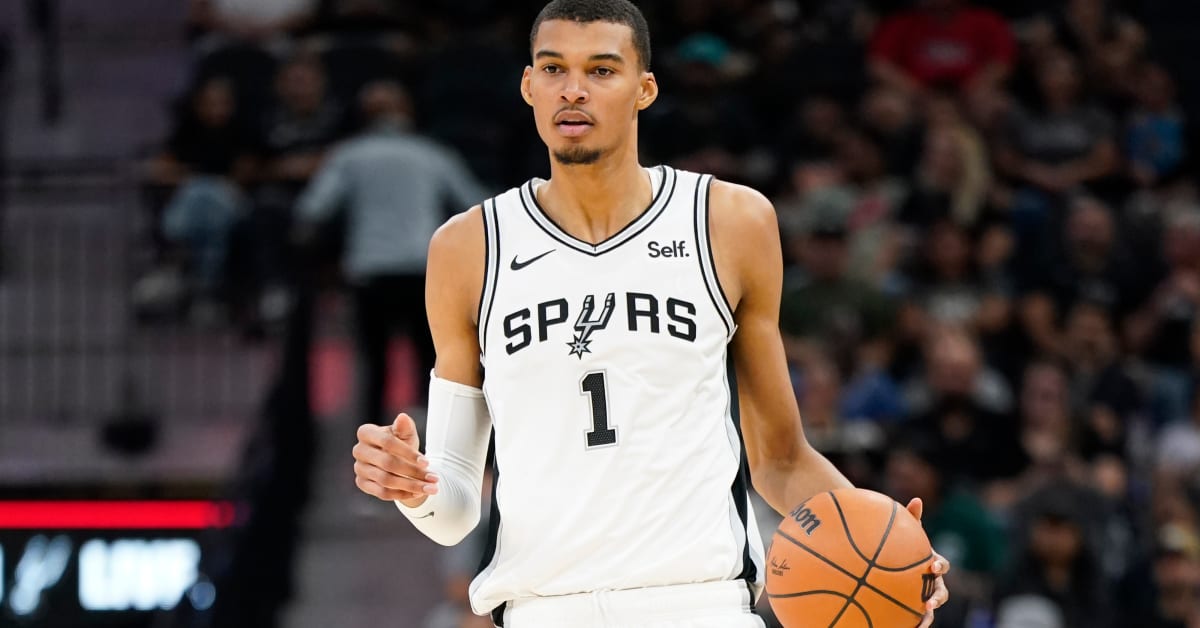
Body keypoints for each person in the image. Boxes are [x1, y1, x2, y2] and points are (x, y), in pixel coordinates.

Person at [351, 2, 951, 626]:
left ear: (645, 89)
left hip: (700, 604)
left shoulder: (729, 222)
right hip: (543, 610)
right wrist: (411, 487)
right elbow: (452, 510)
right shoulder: (467, 248)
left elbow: (779, 456)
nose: (574, 90)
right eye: (553, 68)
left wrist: (890, 547)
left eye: (602, 70)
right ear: (528, 87)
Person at [296, 81, 486, 420]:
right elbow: (476, 204)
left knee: (375, 365)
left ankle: (371, 451)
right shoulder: (430, 153)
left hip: (371, 273)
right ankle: (434, 451)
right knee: (431, 365)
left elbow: (313, 209)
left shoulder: (349, 155)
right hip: (422, 272)